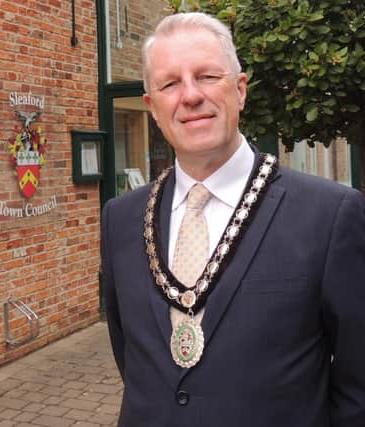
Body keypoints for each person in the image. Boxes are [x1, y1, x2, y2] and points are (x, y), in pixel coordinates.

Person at [102, 12, 365, 427]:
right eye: (170, 83)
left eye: (207, 76)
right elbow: (131, 355)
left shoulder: (330, 215)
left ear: (240, 90)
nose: (190, 96)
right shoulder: (120, 217)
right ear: (152, 107)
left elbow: (357, 387)